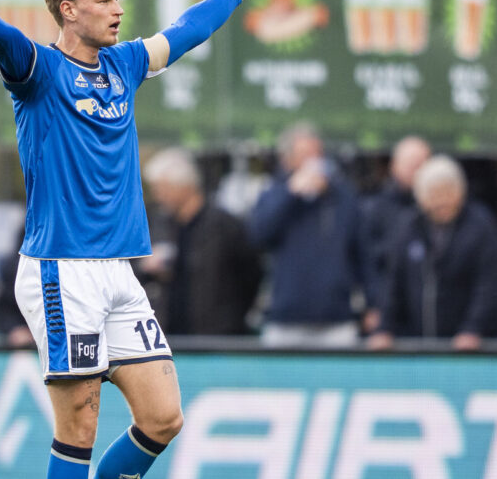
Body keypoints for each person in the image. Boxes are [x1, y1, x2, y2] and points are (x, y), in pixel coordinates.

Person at [0, 0, 281, 479]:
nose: (118, 9)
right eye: (105, 0)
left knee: (163, 418)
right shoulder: (38, 71)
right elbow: (4, 36)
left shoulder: (124, 64)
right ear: (69, 9)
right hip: (62, 268)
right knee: (78, 430)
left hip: (117, 270)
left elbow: (184, 32)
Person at [367, 155, 497, 351]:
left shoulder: (482, 227)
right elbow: (392, 282)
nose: (442, 200)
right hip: (417, 345)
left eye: (448, 191)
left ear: (461, 191)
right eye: (434, 193)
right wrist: (384, 328)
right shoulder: (407, 228)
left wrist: (473, 329)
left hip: (468, 348)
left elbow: (488, 286)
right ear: (420, 197)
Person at [247, 121, 366, 348]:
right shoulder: (274, 192)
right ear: (287, 159)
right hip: (286, 321)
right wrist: (291, 194)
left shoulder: (343, 197)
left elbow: (362, 252)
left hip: (336, 320)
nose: (314, 162)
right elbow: (258, 235)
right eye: (305, 155)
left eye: (317, 154)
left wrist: (373, 304)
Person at [142, 147, 262, 335]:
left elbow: (252, 274)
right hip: (170, 335)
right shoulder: (159, 224)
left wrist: (233, 317)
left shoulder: (224, 225)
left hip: (218, 336)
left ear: (183, 186)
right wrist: (146, 267)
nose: (158, 196)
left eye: (162, 188)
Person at [359, 135, 431, 332]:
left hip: (429, 315)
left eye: (423, 164)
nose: (418, 171)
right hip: (388, 313)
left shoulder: (439, 210)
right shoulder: (376, 209)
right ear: (395, 166)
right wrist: (374, 305)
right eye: (412, 164)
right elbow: (368, 263)